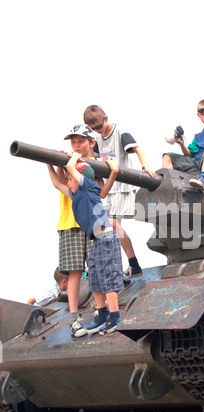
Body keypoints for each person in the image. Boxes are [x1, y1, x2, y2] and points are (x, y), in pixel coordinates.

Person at [47, 150, 124, 338]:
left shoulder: (88, 187)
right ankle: (102, 315)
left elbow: (72, 167)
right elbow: (57, 183)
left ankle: (114, 317)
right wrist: (48, 163)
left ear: (80, 179)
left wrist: (74, 155)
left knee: (107, 279)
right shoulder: (76, 195)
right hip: (96, 240)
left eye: (71, 179)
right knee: (95, 279)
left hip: (105, 238)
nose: (68, 182)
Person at [83, 104, 157, 278]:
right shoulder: (97, 140)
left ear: (106, 119)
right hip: (108, 189)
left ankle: (133, 264)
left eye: (99, 127)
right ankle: (118, 266)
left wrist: (145, 166)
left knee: (113, 225)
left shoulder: (119, 132)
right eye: (93, 129)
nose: (97, 131)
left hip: (123, 187)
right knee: (102, 228)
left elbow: (137, 149)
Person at [55, 124, 98, 328]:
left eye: (81, 141)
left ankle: (101, 307)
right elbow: (58, 182)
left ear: (91, 142)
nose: (76, 145)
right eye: (73, 142)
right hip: (70, 222)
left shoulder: (93, 165)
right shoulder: (67, 161)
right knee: (74, 270)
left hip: (90, 221)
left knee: (96, 266)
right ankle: (73, 316)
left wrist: (72, 158)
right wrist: (55, 160)